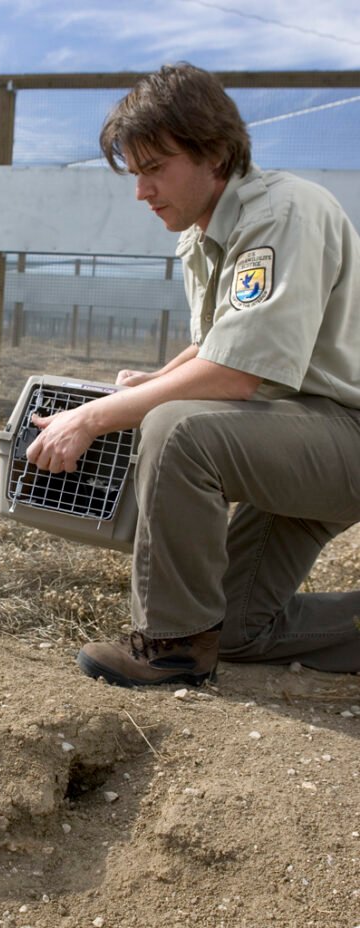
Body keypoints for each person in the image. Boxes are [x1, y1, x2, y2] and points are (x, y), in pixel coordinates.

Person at [26, 62, 360, 687]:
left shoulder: (280, 214)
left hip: (342, 432)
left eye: (155, 169)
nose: (141, 191)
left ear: (215, 152)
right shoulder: (203, 233)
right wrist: (153, 378)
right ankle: (216, 633)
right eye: (135, 173)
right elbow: (219, 343)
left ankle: (172, 645)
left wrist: (93, 417)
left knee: (179, 429)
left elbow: (236, 375)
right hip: (299, 431)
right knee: (237, 627)